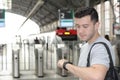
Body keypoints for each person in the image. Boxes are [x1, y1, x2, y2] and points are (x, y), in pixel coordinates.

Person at [57, 7, 115, 80]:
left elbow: (96, 76)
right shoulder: (85, 46)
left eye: (85, 26)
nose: (81, 31)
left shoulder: (100, 47)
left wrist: (66, 65)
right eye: (78, 26)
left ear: (96, 25)